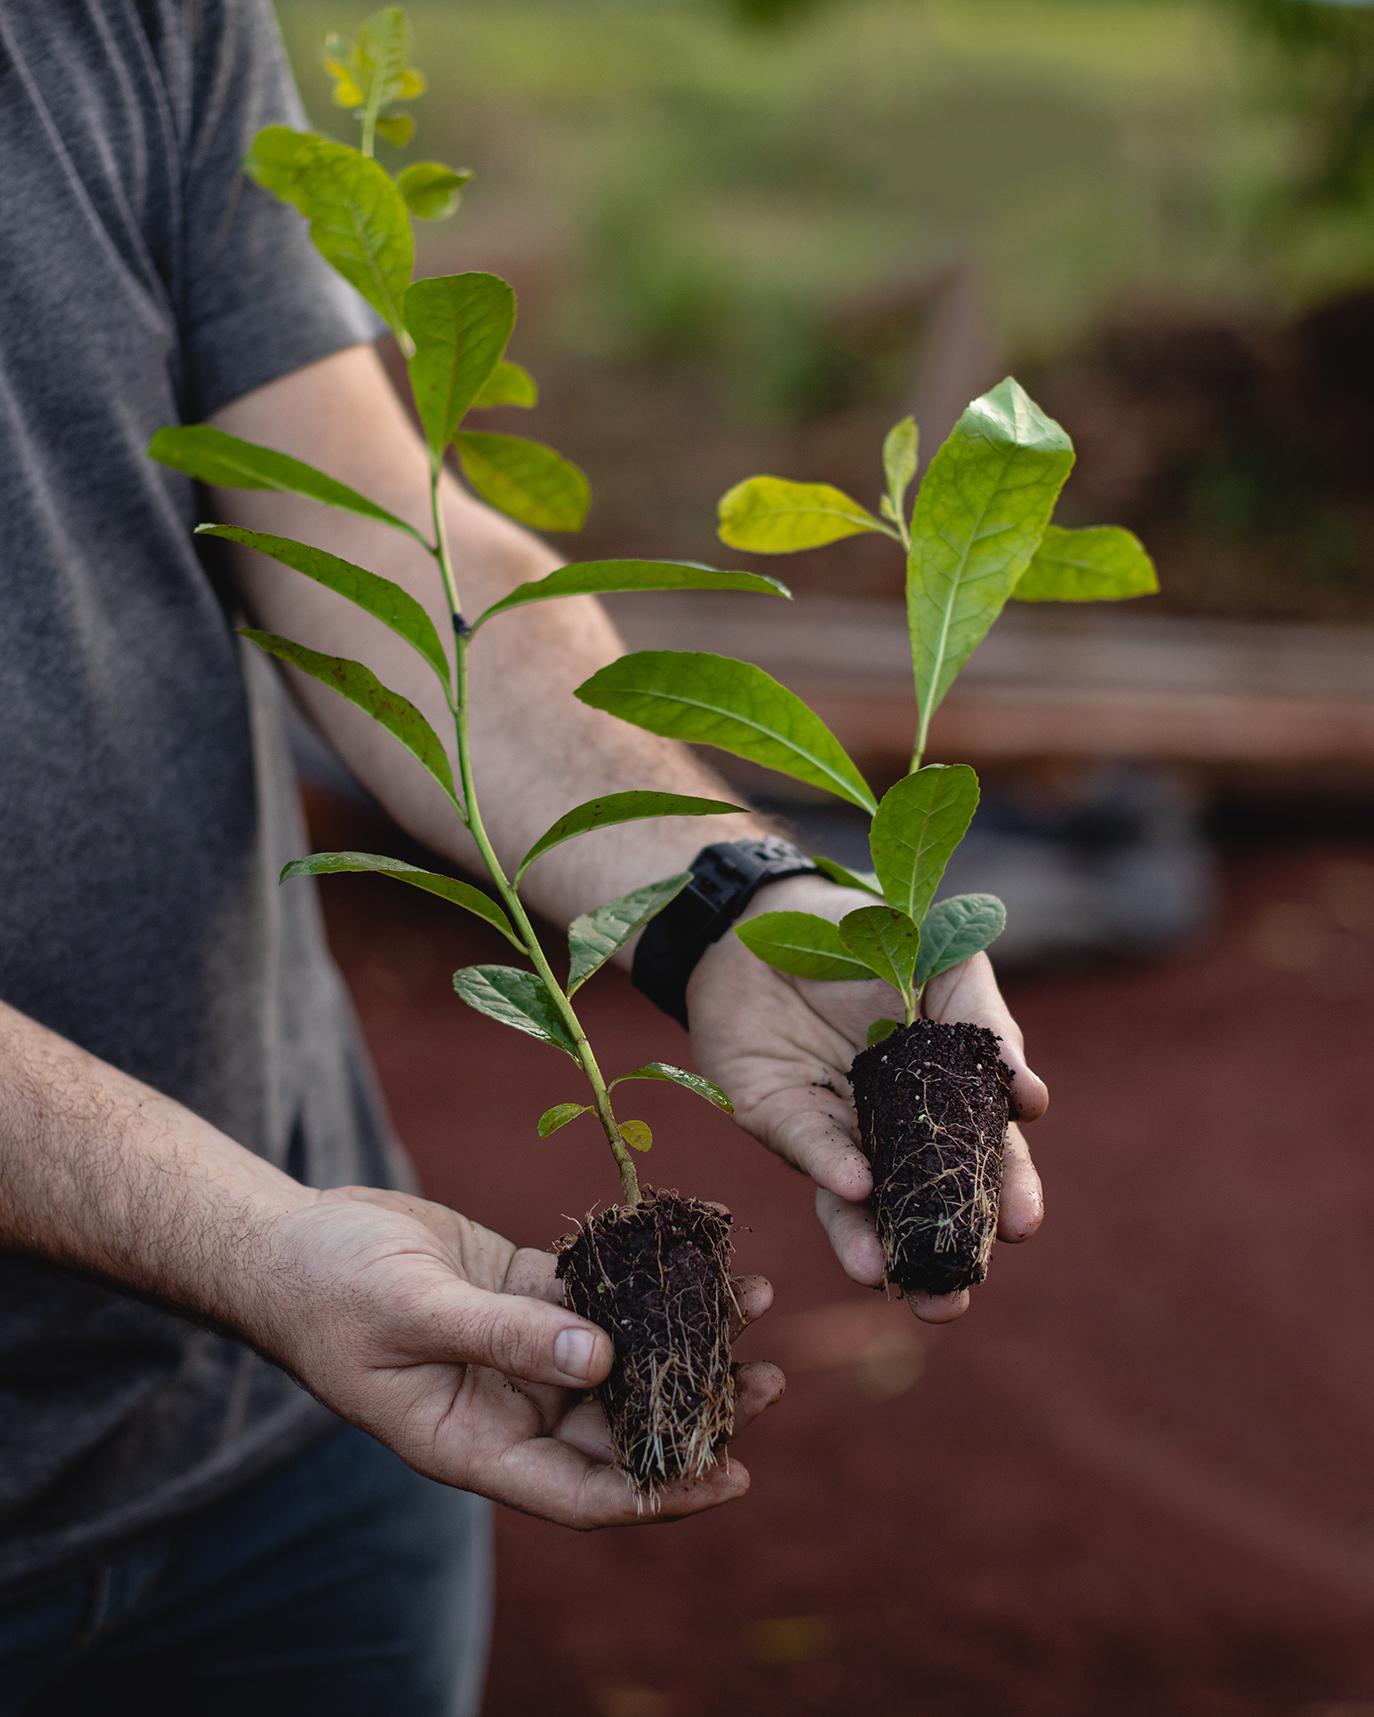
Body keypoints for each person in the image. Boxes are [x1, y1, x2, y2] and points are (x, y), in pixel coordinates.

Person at [0, 2, 1047, 1712]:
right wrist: (252, 1250)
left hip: (292, 1475)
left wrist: (726, 897)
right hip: (266, 1306)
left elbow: (362, 528)